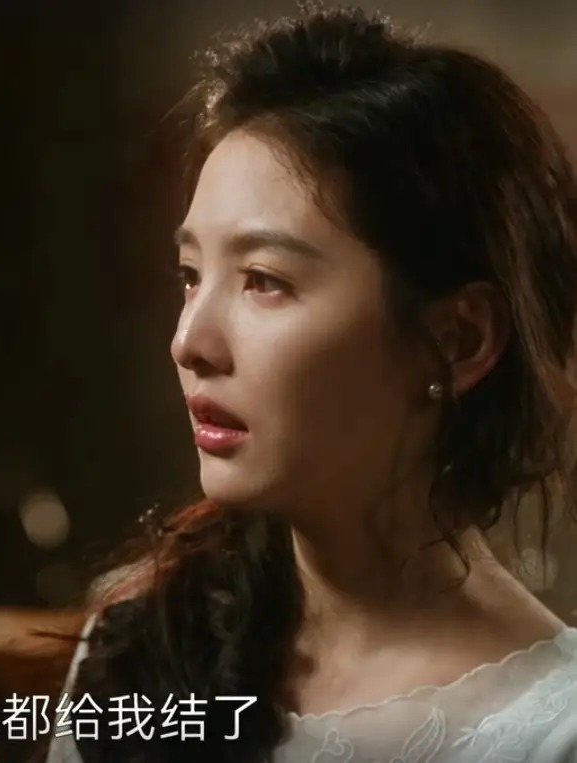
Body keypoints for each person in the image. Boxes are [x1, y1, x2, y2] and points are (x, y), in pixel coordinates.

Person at [44, 3, 577, 762]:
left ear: (457, 340)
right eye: (191, 275)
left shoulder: (551, 732)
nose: (188, 342)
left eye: (263, 280)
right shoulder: (147, 644)